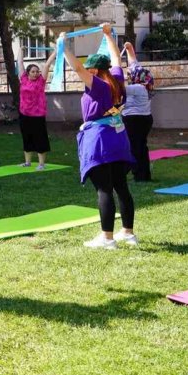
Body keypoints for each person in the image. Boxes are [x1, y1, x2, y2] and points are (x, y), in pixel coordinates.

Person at [59, 23, 137, 249]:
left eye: (89, 70)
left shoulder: (99, 86)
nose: (87, 73)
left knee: (104, 189)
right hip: (119, 139)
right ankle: (128, 233)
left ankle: (107, 237)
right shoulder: (117, 79)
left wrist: (64, 46)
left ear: (94, 71)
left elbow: (77, 69)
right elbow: (116, 58)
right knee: (121, 186)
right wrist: (107, 35)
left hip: (100, 140)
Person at [16, 48, 57, 170]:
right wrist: (21, 50)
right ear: (28, 73)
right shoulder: (23, 79)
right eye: (33, 72)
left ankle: (41, 164)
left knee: (40, 138)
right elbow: (19, 63)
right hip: (24, 114)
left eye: (37, 71)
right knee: (26, 137)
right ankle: (27, 162)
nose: (35, 73)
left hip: (38, 115)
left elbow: (48, 64)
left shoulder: (41, 81)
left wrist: (57, 50)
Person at [122, 41, 155, 182]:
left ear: (136, 77)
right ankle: (143, 174)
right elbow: (134, 64)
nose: (129, 74)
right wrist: (129, 48)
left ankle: (138, 174)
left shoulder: (138, 88)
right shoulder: (145, 83)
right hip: (145, 119)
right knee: (141, 146)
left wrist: (115, 72)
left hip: (134, 121)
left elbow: (117, 88)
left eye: (130, 74)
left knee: (135, 148)